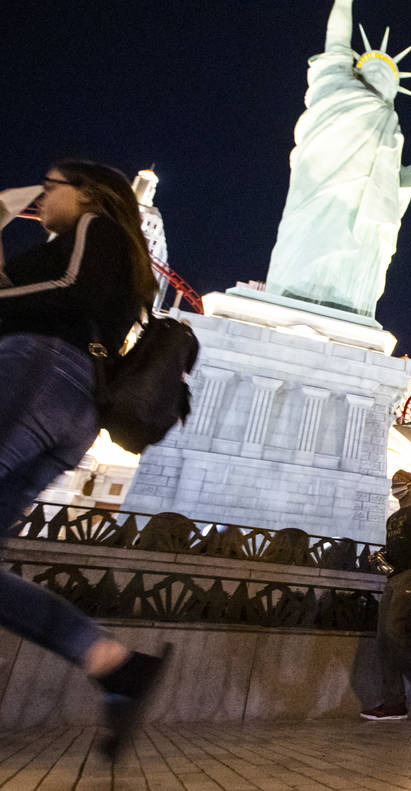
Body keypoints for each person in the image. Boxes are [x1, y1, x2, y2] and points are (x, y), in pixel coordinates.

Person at [0, 160, 170, 758]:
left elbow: (67, 292)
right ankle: (113, 664)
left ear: (89, 193)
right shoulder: (106, 249)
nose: (41, 197)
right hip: (72, 404)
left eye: (51, 186)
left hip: (40, 374)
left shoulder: (99, 229)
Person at [265, 0, 411, 316]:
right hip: (318, 185)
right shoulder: (336, 85)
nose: (383, 75)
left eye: (390, 78)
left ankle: (344, 300)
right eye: (374, 69)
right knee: (302, 241)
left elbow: (386, 195)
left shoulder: (390, 124)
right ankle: (291, 293)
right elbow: (338, 40)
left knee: (355, 246)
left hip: (359, 207)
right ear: (357, 72)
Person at [360, 469, 411, 720]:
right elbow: (394, 553)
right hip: (394, 578)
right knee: (384, 638)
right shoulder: (392, 519)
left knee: (395, 628)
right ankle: (394, 702)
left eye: (400, 484)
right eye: (393, 484)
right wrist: (380, 560)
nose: (396, 488)